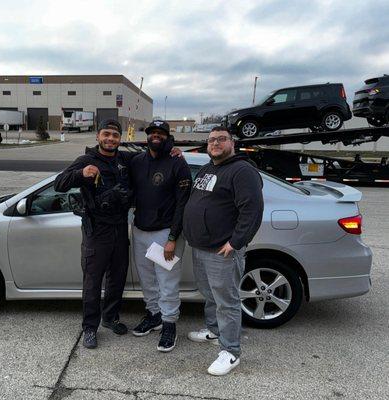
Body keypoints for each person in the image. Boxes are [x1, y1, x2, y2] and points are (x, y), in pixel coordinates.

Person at [183, 126, 263, 375]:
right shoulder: (209, 168)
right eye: (211, 140)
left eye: (221, 139)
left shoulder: (242, 171)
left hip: (222, 250)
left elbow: (252, 210)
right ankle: (213, 331)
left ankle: (231, 351)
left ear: (232, 143)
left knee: (226, 301)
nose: (215, 143)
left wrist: (236, 242)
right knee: (210, 294)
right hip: (201, 246)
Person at [54, 119, 133, 349]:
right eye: (106, 134)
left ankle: (110, 318)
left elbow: (149, 158)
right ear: (98, 136)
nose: (110, 139)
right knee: (92, 281)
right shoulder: (86, 160)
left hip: (119, 227)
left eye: (115, 135)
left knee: (117, 277)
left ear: (120, 139)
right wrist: (81, 173)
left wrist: (176, 152)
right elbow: (60, 183)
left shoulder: (124, 159)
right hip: (96, 229)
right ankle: (90, 327)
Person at [130, 120, 192, 352]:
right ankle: (154, 315)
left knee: (167, 284)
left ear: (168, 137)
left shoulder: (178, 163)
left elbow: (182, 204)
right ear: (147, 137)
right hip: (140, 230)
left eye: (161, 133)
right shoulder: (137, 161)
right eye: (152, 133)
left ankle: (169, 325)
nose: (156, 136)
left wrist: (173, 237)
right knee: (147, 281)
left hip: (165, 233)